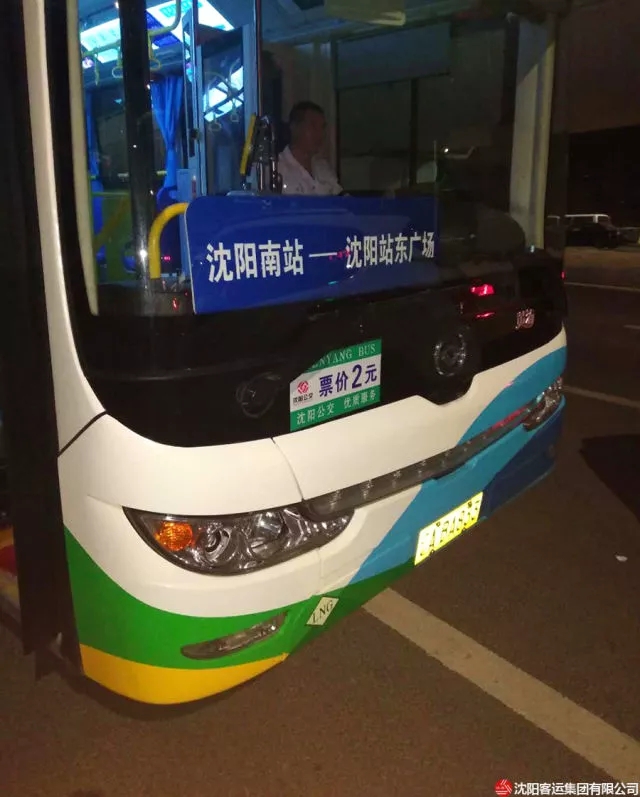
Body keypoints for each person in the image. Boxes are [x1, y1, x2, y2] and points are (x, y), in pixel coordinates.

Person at [278, 101, 344, 196]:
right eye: (313, 126)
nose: (320, 134)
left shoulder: (324, 168)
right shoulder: (278, 170)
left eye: (322, 127)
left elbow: (342, 200)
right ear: (295, 128)